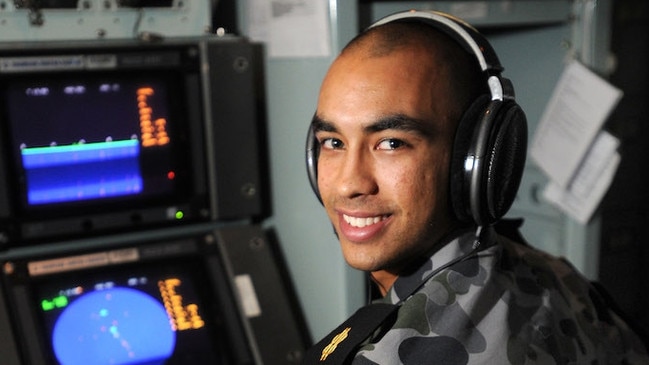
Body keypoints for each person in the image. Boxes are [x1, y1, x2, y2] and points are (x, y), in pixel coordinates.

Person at [301, 9, 649, 365]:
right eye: (333, 142)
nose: (348, 184)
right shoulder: (559, 276)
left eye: (391, 143)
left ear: (476, 160)